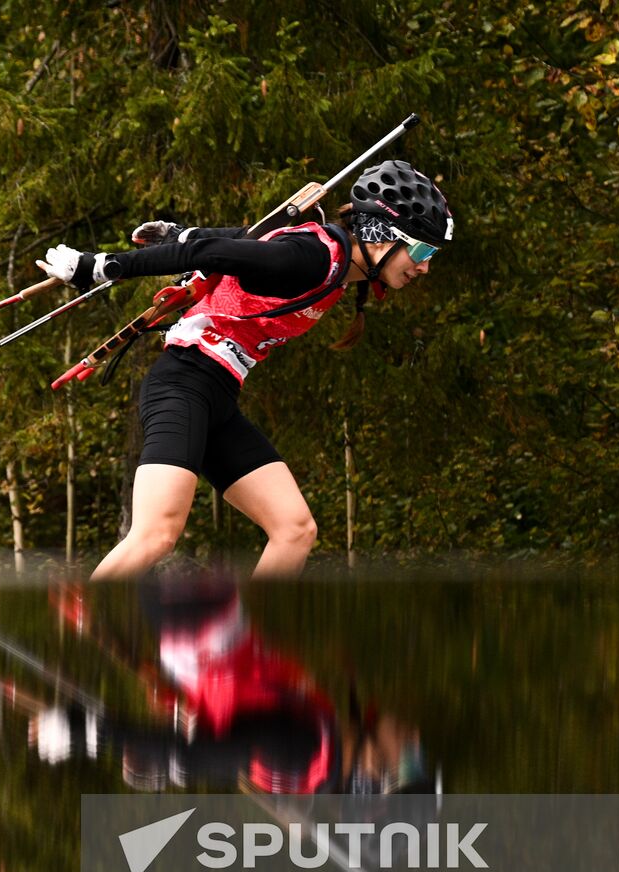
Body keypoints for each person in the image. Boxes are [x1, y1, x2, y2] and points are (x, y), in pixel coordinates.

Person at [37, 160, 454, 579]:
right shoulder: (312, 258)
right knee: (156, 533)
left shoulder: (336, 263)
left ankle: (252, 638)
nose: (424, 267)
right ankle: (79, 628)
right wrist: (100, 266)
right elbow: (212, 255)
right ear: (381, 236)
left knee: (294, 530)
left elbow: (248, 242)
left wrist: (182, 233)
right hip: (182, 384)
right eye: (421, 251)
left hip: (218, 395)